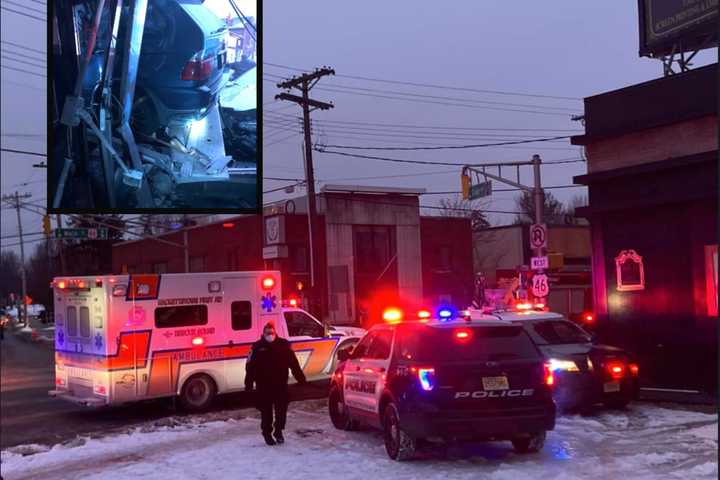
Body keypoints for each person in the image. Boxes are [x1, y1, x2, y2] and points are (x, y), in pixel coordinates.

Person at [245, 321, 307, 446]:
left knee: (281, 411)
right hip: (264, 386)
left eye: (272, 333)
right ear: (263, 334)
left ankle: (278, 431)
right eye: (267, 333)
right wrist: (249, 385)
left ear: (275, 333)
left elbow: (293, 363)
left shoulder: (284, 345)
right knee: (266, 412)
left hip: (280, 385)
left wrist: (301, 379)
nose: (270, 335)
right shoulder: (256, 347)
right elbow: (250, 367)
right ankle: (267, 433)